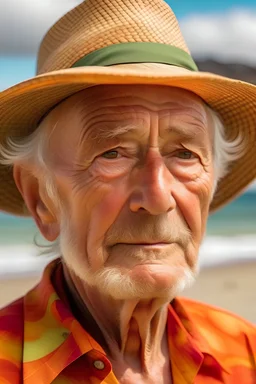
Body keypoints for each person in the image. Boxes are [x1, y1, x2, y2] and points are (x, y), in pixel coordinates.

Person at [0, 0, 255, 383]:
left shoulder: (245, 353)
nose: (156, 198)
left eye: (184, 154)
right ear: (41, 199)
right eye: (112, 154)